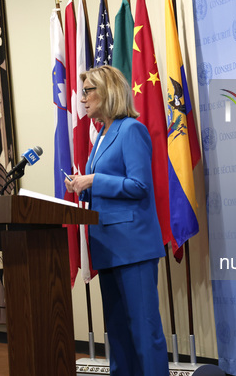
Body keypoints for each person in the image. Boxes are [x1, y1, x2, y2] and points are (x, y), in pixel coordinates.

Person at [64, 65, 168, 376]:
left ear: (107, 92)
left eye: (88, 90)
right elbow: (106, 186)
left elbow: (139, 186)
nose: (82, 98)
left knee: (144, 332)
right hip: (107, 247)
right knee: (119, 334)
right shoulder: (102, 135)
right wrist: (82, 185)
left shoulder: (131, 129)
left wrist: (94, 180)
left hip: (134, 249)